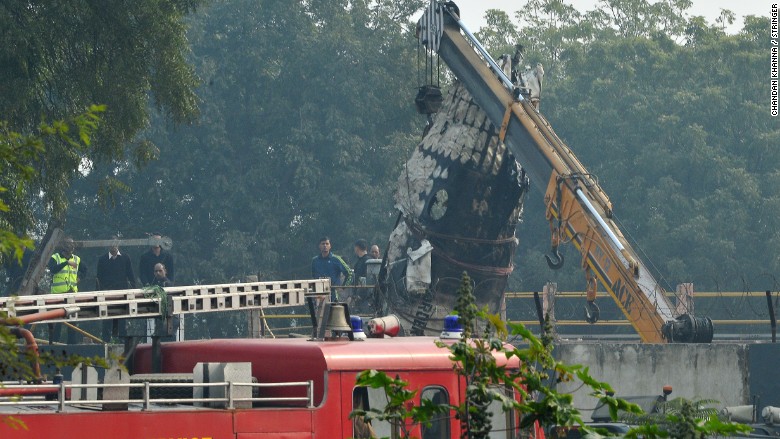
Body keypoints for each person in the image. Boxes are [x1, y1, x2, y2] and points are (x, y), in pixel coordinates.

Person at [48, 237, 87, 343]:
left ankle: (71, 346)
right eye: (69, 244)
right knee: (57, 323)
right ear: (64, 246)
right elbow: (52, 269)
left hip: (71, 295)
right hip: (57, 296)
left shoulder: (76, 259)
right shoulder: (55, 257)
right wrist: (66, 263)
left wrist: (79, 278)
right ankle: (54, 345)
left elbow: (85, 270)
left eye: (72, 244)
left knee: (72, 322)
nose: (72, 246)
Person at [96, 240, 136, 342]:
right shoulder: (102, 259)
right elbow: (98, 278)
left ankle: (123, 343)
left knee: (122, 319)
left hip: (122, 293)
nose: (113, 246)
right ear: (108, 245)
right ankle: (106, 343)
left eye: (115, 243)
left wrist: (134, 290)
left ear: (118, 244)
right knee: (107, 319)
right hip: (107, 294)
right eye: (111, 244)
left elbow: (130, 275)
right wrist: (98, 294)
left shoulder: (125, 257)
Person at [311, 236, 352, 300]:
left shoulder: (336, 259)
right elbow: (313, 276)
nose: (325, 246)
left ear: (330, 246)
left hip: (334, 295)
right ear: (319, 246)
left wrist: (343, 287)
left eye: (327, 244)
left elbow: (349, 273)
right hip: (319, 294)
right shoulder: (315, 260)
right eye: (323, 244)